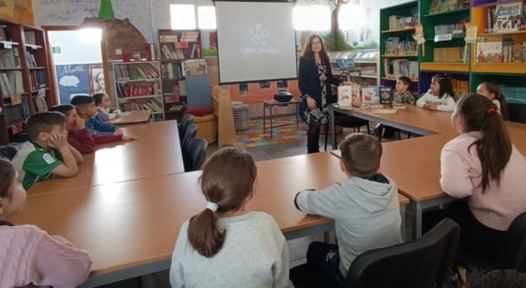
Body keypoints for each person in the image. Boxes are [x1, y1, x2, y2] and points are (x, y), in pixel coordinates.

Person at [170, 147, 291, 288]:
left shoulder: (188, 228)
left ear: (206, 190)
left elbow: (177, 283)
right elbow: (281, 283)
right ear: (249, 194)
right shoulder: (267, 225)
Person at [292, 133, 402, 286]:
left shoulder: (340, 196)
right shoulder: (391, 185)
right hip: (392, 268)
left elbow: (300, 200)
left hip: (355, 275)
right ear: (379, 165)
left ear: (342, 165)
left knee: (314, 249)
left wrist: (327, 192)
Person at [0, 157, 91, 288]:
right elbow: (79, 269)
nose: (23, 185)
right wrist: (54, 241)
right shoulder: (23, 238)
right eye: (18, 182)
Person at [438, 93, 526, 262]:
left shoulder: (456, 147)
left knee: (430, 220)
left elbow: (458, 190)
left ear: (460, 118)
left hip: (493, 233)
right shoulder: (503, 141)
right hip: (520, 231)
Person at [12, 111, 84, 190]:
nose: (66, 132)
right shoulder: (34, 154)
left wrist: (65, 143)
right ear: (43, 136)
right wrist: (63, 146)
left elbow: (79, 160)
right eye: (61, 130)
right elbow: (71, 171)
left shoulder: (49, 145)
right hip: (27, 196)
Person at [298, 33, 343, 153]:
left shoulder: (325, 59)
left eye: (318, 42)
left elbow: (330, 79)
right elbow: (302, 82)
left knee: (319, 126)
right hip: (312, 99)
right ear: (310, 45)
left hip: (325, 99)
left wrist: (343, 84)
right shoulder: (304, 60)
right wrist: (307, 97)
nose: (316, 45)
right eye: (314, 43)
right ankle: (312, 153)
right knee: (314, 127)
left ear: (321, 45)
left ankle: (316, 153)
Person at [49, 104, 125, 154]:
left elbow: (93, 139)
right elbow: (88, 148)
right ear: (62, 121)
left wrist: (118, 137)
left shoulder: (72, 133)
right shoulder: (63, 138)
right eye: (74, 116)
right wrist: (82, 128)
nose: (79, 119)